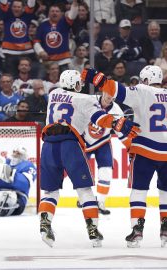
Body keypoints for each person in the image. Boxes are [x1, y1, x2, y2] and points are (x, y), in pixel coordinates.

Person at [38, 70, 140, 248]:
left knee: (50, 192)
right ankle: (93, 230)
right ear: (77, 84)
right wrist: (116, 123)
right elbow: (99, 118)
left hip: (47, 146)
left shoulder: (53, 94)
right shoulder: (86, 100)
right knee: (84, 190)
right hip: (70, 145)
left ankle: (45, 225)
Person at [81, 65, 167, 248]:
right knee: (165, 192)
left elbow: (114, 90)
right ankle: (165, 229)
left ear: (144, 79)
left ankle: (137, 230)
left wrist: (97, 78)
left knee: (139, 190)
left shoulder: (143, 90)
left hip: (144, 150)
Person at [81, 92, 125, 215]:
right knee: (80, 171)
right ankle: (84, 198)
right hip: (85, 141)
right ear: (102, 92)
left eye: (112, 96)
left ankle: (101, 202)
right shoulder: (89, 100)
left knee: (106, 172)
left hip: (103, 142)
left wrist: (128, 144)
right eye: (107, 94)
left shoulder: (117, 110)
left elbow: (121, 132)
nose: (108, 98)